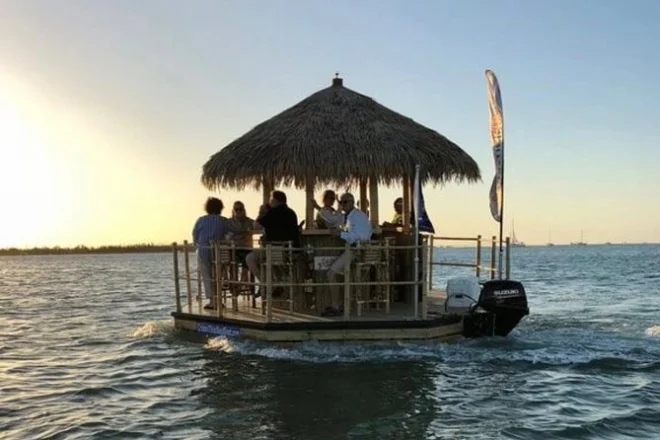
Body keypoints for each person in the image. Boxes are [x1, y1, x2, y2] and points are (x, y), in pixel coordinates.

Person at [323, 192, 373, 316]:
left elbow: (362, 237)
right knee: (338, 275)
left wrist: (341, 234)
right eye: (340, 202)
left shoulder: (357, 216)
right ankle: (340, 304)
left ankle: (336, 306)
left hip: (356, 251)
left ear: (352, 202)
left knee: (331, 273)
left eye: (345, 202)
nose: (342, 205)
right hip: (353, 249)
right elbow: (334, 221)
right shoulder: (351, 215)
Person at [245, 190, 300, 297]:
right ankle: (277, 285)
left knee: (250, 258)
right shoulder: (292, 213)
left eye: (271, 199)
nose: (270, 202)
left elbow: (256, 226)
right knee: (271, 263)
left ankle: (266, 283)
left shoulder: (272, 213)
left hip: (271, 251)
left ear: (275, 200)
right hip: (289, 252)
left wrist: (262, 212)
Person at [192, 197, 237, 310]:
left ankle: (212, 301)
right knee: (217, 277)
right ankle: (218, 301)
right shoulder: (224, 221)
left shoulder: (201, 220)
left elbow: (194, 235)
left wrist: (197, 244)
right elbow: (232, 233)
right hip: (218, 252)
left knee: (207, 277)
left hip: (203, 250)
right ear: (220, 208)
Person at [227, 201, 259, 284]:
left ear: (244, 210)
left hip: (246, 248)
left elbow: (259, 227)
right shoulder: (229, 222)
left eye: (240, 209)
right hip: (234, 249)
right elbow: (225, 235)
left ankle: (242, 281)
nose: (238, 211)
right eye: (236, 209)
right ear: (233, 210)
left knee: (248, 258)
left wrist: (249, 232)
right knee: (231, 259)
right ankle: (234, 283)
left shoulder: (249, 222)